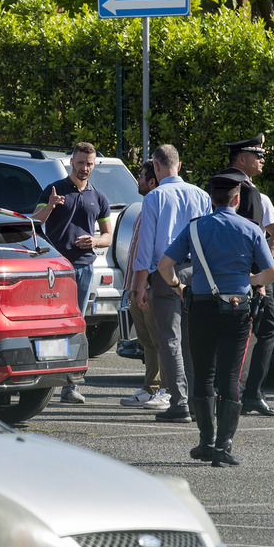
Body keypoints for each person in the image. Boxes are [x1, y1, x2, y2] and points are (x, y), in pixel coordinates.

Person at [158, 170, 274, 467]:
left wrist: (179, 287)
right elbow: (272, 273)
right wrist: (250, 280)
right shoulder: (250, 229)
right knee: (230, 377)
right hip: (237, 309)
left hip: (201, 306)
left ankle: (206, 442)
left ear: (211, 199)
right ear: (237, 199)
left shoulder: (196, 228)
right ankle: (223, 447)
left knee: (203, 374)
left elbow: (164, 265)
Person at [132, 144, 212, 423]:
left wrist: (141, 284)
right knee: (191, 341)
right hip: (196, 273)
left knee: (170, 340)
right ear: (179, 164)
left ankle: (179, 403)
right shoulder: (202, 195)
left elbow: (146, 247)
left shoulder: (154, 198)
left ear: (155, 166)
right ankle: (193, 399)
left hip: (165, 273)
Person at [32, 141, 112, 404]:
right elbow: (34, 223)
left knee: (78, 325)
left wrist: (95, 241)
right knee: (52, 325)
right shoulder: (53, 190)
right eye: (80, 163)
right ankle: (42, 382)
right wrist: (51, 206)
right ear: (71, 163)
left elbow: (108, 236)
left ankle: (72, 384)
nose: (84, 168)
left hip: (85, 267)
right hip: (56, 269)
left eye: (89, 164)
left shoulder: (99, 197)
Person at [219, 134, 274, 416]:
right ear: (241, 159)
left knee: (223, 334)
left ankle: (225, 392)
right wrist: (258, 273)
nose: (262, 160)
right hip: (251, 280)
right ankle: (251, 394)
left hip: (218, 276)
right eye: (257, 155)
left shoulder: (214, 188)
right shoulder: (253, 193)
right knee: (266, 330)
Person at [120, 161, 168, 409]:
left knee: (160, 340)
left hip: (147, 286)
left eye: (140, 176)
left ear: (151, 181)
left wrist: (143, 285)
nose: (137, 180)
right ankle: (150, 387)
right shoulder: (143, 208)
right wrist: (131, 285)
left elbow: (151, 252)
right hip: (135, 286)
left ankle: (166, 391)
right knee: (147, 342)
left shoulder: (156, 207)